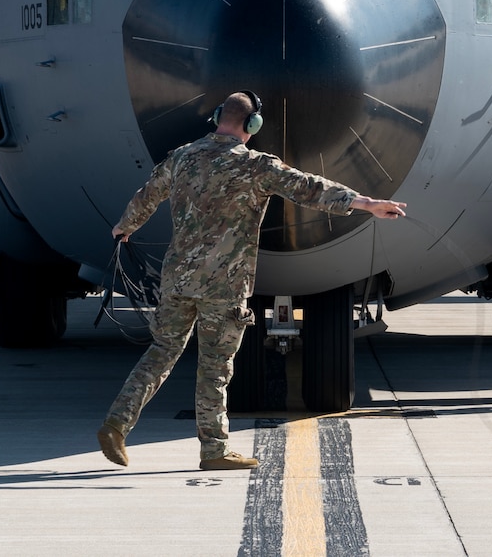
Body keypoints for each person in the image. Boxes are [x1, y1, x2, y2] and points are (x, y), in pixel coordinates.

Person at [97, 90, 406, 470]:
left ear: (216, 118)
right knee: (215, 367)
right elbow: (311, 188)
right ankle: (214, 450)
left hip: (177, 279)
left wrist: (124, 228)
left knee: (161, 353)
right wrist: (366, 204)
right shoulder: (256, 166)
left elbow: (147, 196)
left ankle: (117, 423)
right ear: (251, 125)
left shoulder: (181, 158)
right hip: (223, 285)